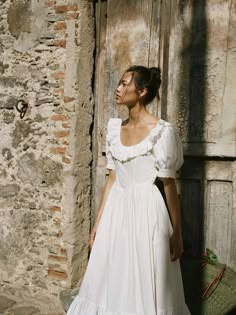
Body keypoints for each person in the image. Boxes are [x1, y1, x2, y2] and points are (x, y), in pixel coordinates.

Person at [67, 65, 191, 314]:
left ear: (142, 91)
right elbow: (112, 178)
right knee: (110, 277)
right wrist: (98, 222)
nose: (118, 88)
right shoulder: (115, 129)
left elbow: (168, 184)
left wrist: (177, 232)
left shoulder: (162, 133)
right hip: (116, 211)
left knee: (147, 276)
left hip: (148, 212)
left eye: (125, 83)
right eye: (119, 83)